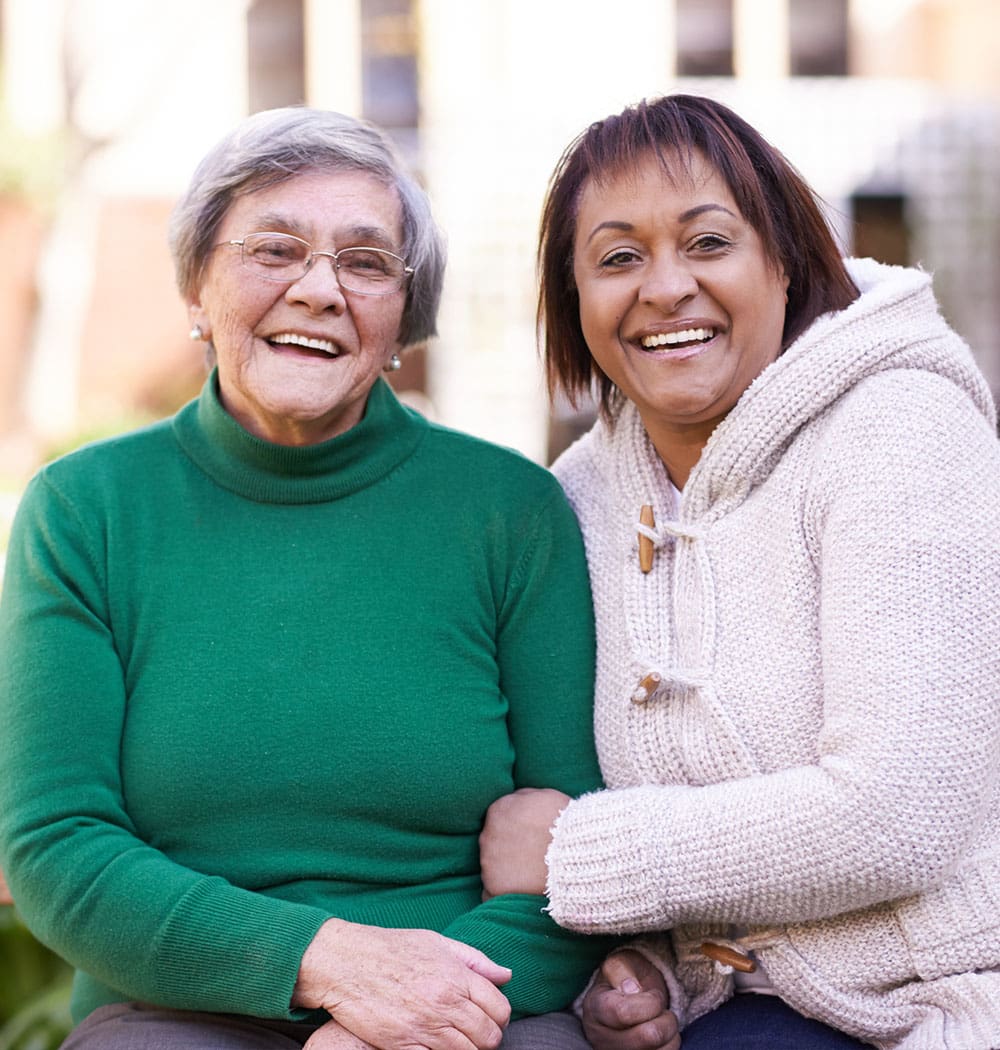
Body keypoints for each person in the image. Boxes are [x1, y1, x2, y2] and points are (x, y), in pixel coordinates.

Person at [0, 107, 614, 1050]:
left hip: (474, 997)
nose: (321, 288)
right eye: (274, 249)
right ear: (197, 289)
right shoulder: (86, 512)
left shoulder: (511, 511)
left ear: (402, 319)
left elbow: (575, 847)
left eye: (366, 263)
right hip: (176, 1008)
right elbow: (56, 847)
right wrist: (325, 968)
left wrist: (399, 1019)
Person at [479, 93, 1000, 1050]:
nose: (665, 287)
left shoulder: (902, 430)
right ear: (573, 300)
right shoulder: (581, 498)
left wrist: (575, 857)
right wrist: (648, 973)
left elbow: (901, 810)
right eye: (618, 257)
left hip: (942, 1001)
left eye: (708, 243)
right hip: (736, 1021)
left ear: (788, 262)